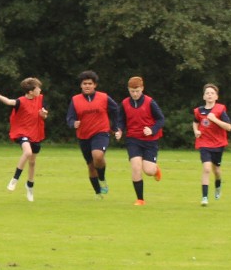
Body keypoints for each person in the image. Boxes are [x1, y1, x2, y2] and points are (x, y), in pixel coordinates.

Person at [0, 77, 48, 202]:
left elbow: (44, 115)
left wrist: (43, 115)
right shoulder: (21, 101)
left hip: (36, 133)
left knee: (32, 163)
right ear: (31, 91)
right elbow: (9, 102)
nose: (40, 90)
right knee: (27, 152)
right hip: (22, 132)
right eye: (37, 88)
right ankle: (14, 180)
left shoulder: (41, 99)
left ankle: (29, 187)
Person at [66, 70, 119, 198]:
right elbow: (70, 118)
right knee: (91, 166)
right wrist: (73, 123)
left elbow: (116, 109)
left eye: (90, 83)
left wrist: (115, 126)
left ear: (95, 85)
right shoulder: (75, 100)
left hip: (101, 132)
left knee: (98, 155)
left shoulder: (104, 97)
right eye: (85, 83)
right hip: (83, 135)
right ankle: (98, 192)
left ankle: (102, 179)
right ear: (81, 85)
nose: (87, 86)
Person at [115, 76, 165, 206]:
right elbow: (121, 120)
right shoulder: (125, 103)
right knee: (136, 167)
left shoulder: (150, 102)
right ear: (128, 90)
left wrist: (152, 130)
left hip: (150, 141)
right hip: (133, 139)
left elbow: (161, 119)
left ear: (142, 88)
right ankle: (140, 199)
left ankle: (155, 170)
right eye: (132, 91)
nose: (135, 94)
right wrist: (119, 130)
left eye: (137, 91)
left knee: (148, 171)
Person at [193, 83, 231, 206]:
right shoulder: (199, 111)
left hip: (218, 144)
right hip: (204, 143)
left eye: (212, 93)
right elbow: (195, 122)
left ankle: (218, 185)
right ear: (204, 96)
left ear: (216, 97)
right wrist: (196, 131)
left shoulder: (220, 110)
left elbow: (229, 127)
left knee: (217, 171)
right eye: (207, 93)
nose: (209, 95)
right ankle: (204, 197)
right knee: (206, 168)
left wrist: (214, 119)